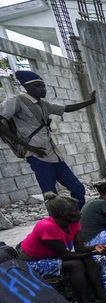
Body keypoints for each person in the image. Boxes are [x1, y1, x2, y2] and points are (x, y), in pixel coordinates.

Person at [0, 70, 96, 208]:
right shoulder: (16, 100)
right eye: (38, 86)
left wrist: (91, 101)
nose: (43, 89)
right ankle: (59, 227)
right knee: (51, 196)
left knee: (78, 189)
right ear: (27, 87)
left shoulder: (44, 104)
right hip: (37, 156)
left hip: (53, 154)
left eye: (43, 86)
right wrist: (28, 147)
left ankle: (77, 220)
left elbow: (66, 108)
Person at [16, 194, 106, 303]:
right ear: (63, 214)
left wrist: (98, 247)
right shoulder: (47, 227)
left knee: (87, 259)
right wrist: (94, 252)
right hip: (30, 261)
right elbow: (65, 256)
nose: (79, 212)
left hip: (50, 255)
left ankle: (101, 296)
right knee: (75, 264)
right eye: (75, 210)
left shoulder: (73, 222)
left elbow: (80, 248)